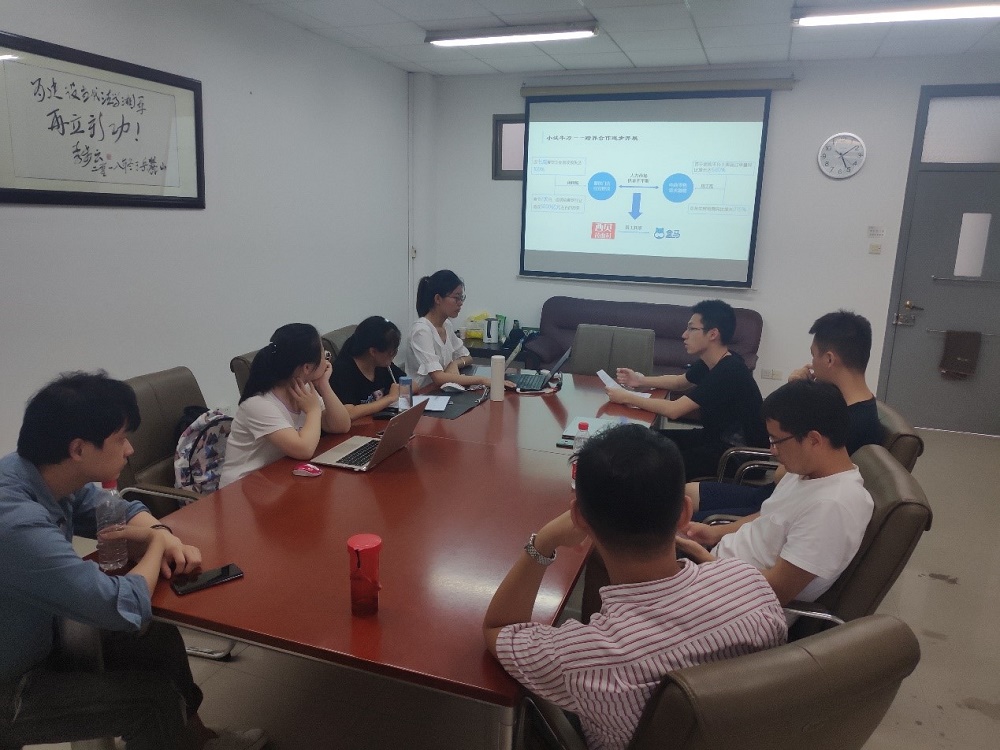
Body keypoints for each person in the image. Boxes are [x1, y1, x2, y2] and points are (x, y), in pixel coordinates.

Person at [0, 372, 265, 750]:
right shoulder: (15, 522)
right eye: (121, 439)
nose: (130, 450)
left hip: (41, 635)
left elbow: (113, 509)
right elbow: (117, 605)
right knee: (151, 704)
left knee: (155, 634)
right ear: (78, 449)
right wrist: (156, 547)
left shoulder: (41, 473)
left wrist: (161, 534)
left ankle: (196, 739)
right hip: (12, 681)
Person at [483, 424, 787, 750]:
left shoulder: (583, 658)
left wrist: (544, 540)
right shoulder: (753, 587)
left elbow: (498, 628)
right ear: (685, 512)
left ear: (579, 518)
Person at [678, 380, 875, 606]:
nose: (772, 450)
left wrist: (707, 561)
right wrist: (714, 533)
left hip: (737, 601)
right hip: (720, 568)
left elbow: (776, 591)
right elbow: (771, 516)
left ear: (814, 440)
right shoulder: (806, 472)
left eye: (776, 440)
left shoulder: (832, 507)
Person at [689, 310, 885, 520]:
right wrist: (799, 391)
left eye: (813, 355)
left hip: (778, 509)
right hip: (774, 497)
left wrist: (796, 394)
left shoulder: (846, 423)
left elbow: (781, 475)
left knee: (679, 519)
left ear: (829, 359)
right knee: (686, 494)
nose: (811, 363)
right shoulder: (847, 407)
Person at [609, 299, 768, 478]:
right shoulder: (714, 361)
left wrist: (626, 397)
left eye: (692, 329)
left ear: (713, 334)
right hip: (714, 439)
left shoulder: (729, 370)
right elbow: (680, 382)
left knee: (653, 463)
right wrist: (640, 380)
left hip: (738, 456)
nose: (684, 335)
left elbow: (674, 410)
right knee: (646, 439)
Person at [220, 323, 350, 487]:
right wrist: (313, 410)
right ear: (307, 367)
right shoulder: (258, 404)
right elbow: (304, 449)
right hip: (241, 488)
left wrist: (324, 385)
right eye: (324, 355)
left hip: (278, 478)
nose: (326, 360)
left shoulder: (304, 388)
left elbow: (341, 426)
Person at [399, 269, 493, 390]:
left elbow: (467, 357)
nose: (460, 303)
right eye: (456, 298)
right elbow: (438, 377)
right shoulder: (421, 331)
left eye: (461, 298)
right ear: (438, 299)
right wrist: (482, 380)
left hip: (443, 391)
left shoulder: (446, 325)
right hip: (424, 394)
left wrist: (454, 363)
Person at [329, 316, 407, 420]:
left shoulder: (382, 365)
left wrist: (397, 392)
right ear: (373, 352)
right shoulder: (342, 371)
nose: (394, 356)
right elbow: (348, 412)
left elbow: (412, 384)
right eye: (391, 352)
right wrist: (389, 398)